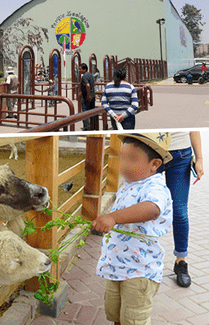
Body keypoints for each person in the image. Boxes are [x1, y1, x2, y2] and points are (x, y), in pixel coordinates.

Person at [92, 133, 173, 325]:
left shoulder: (155, 187)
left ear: (154, 164)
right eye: (123, 158)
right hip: (116, 266)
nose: (124, 165)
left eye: (132, 159)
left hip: (139, 270)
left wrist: (112, 217)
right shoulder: (128, 184)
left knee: (134, 318)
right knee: (116, 313)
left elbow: (152, 208)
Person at [158, 132, 204, 287]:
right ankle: (143, 259)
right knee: (148, 207)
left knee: (180, 212)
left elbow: (194, 128)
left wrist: (200, 159)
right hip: (150, 152)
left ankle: (181, 263)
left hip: (181, 154)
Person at [79, 63, 97, 130]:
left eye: (80, 69)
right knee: (92, 111)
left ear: (84, 69)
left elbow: (87, 85)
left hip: (87, 97)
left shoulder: (84, 76)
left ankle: (87, 127)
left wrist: (88, 95)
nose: (79, 70)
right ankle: (94, 126)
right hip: (92, 96)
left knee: (85, 112)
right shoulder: (91, 75)